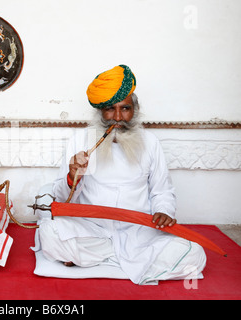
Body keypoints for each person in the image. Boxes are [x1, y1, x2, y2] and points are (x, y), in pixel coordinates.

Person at [38, 65, 206, 285]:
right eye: (110, 109)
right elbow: (61, 198)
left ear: (134, 110)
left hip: (139, 231)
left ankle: (96, 259)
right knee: (49, 232)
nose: (117, 117)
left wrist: (163, 211)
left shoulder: (150, 143)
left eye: (125, 109)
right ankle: (132, 261)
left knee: (195, 253)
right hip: (92, 229)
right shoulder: (81, 141)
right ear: (100, 112)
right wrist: (72, 176)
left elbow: (162, 190)